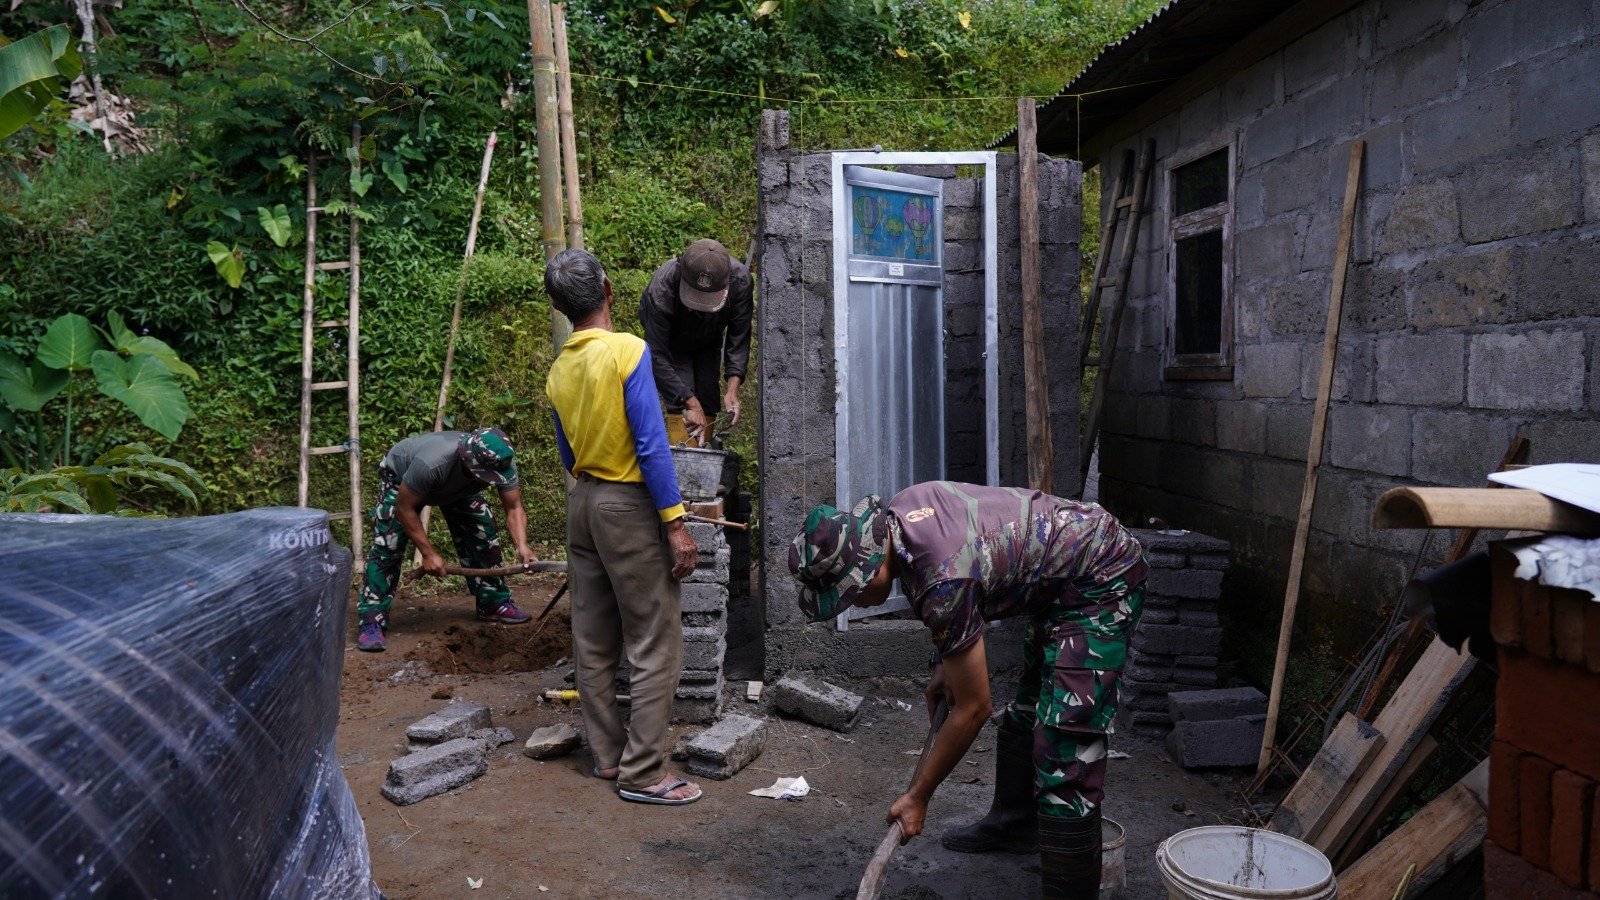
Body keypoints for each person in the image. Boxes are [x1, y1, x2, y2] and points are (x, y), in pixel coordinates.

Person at [788, 481, 1147, 898]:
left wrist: (918, 796)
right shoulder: (903, 517)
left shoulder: (940, 580)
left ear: (868, 563)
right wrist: (945, 662)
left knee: (1066, 749)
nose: (855, 603)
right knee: (1030, 709)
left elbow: (974, 707)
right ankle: (1014, 826)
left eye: (851, 593)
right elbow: (965, 576)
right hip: (1058, 583)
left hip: (1101, 577)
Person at [544, 247, 703, 806]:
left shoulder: (559, 370)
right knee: (654, 640)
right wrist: (675, 523)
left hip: (583, 503)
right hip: (627, 505)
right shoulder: (628, 352)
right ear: (609, 291)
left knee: (592, 639)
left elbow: (567, 453)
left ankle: (609, 757)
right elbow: (652, 446)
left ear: (561, 308)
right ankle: (644, 773)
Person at [356, 427, 536, 652]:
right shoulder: (432, 463)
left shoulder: (501, 462)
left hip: (457, 487)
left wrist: (522, 545)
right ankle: (372, 619)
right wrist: (428, 554)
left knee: (482, 531)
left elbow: (513, 506)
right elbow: (405, 509)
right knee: (388, 543)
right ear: (467, 458)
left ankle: (493, 602)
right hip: (401, 478)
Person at [638, 238, 753, 445]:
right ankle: (682, 468)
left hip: (709, 337)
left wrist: (733, 389)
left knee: (707, 397)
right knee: (681, 396)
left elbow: (739, 339)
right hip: (672, 340)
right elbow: (656, 354)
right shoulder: (662, 289)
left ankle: (702, 463)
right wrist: (689, 402)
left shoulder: (740, 281)